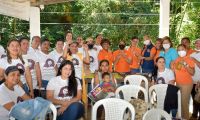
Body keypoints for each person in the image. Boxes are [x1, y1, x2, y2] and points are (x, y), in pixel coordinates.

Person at [171, 44, 195, 119]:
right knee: (179, 102)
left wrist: (185, 65)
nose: (180, 51)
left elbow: (192, 72)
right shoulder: (177, 59)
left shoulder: (189, 58)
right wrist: (171, 65)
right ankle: (180, 117)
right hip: (178, 83)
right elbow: (174, 71)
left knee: (184, 103)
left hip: (187, 84)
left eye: (182, 49)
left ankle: (186, 118)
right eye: (178, 50)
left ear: (186, 50)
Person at [190, 39, 200, 120]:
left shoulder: (193, 57)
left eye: (199, 43)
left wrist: (195, 60)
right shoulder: (192, 54)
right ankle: (194, 115)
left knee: (199, 100)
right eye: (196, 43)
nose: (198, 44)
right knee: (194, 99)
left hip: (199, 81)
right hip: (192, 81)